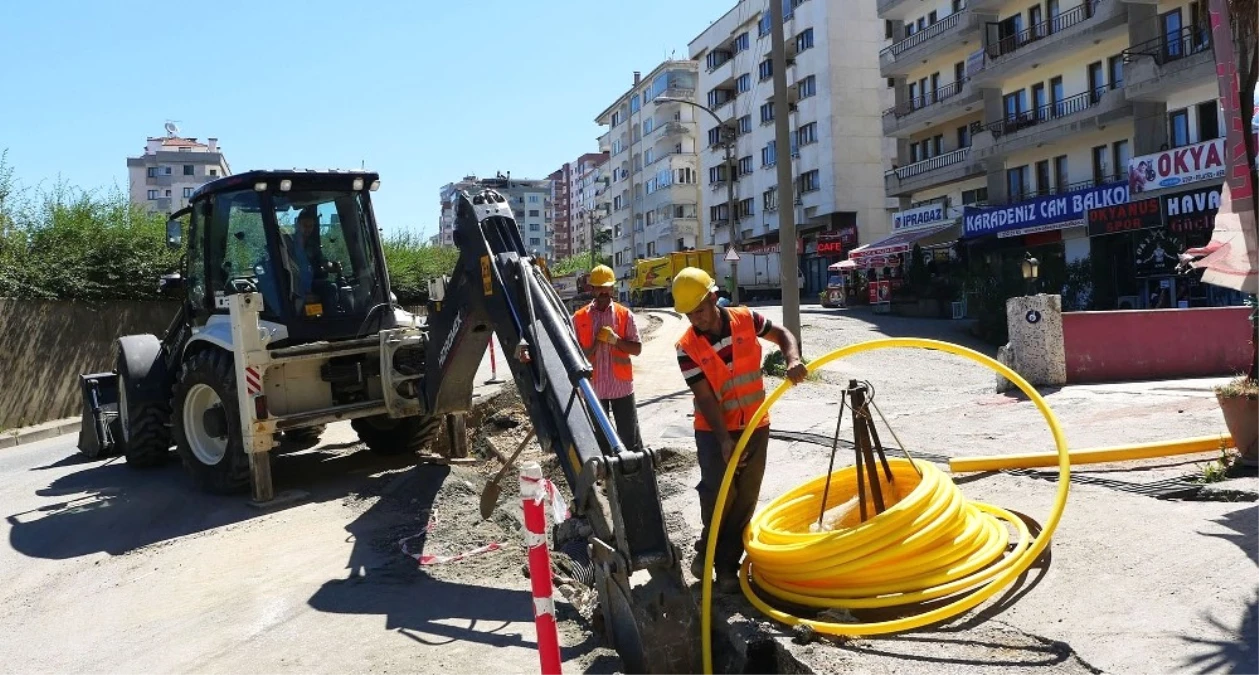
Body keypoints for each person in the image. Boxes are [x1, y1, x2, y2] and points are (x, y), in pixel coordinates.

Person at [672, 266, 807, 592]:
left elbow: (783, 335)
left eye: (701, 310)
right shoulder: (686, 347)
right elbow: (704, 397)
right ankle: (719, 559)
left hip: (756, 423)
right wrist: (723, 440)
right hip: (713, 429)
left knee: (745, 497)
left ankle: (723, 563)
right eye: (690, 315)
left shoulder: (747, 319)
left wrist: (792, 359)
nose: (697, 319)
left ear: (714, 298)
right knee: (720, 495)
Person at [573, 264, 644, 453]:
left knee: (630, 439)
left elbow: (637, 349)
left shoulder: (624, 315)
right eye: (599, 287)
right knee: (601, 442)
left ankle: (633, 476)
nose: (604, 292)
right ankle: (607, 478)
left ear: (613, 287)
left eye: (607, 287)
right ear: (592, 289)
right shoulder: (579, 318)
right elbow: (575, 357)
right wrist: (596, 343)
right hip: (594, 389)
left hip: (621, 387)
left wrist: (616, 340)